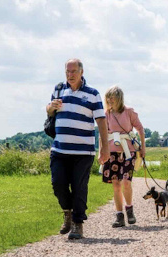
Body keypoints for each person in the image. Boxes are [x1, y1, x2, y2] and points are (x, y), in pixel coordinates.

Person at [46, 58, 109, 239]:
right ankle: (67, 212)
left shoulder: (92, 94)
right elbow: (49, 111)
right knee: (57, 184)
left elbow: (101, 122)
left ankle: (77, 223)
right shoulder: (59, 89)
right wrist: (51, 108)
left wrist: (104, 148)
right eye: (67, 71)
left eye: (73, 71)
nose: (70, 75)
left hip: (83, 152)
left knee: (79, 187)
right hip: (59, 150)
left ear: (82, 72)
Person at [100, 85, 146, 227]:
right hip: (111, 152)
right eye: (108, 97)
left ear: (119, 98)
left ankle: (129, 210)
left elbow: (140, 129)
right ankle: (119, 216)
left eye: (112, 97)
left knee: (126, 182)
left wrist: (143, 147)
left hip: (128, 152)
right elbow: (102, 134)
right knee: (116, 184)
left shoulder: (129, 112)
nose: (109, 100)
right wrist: (101, 151)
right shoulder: (106, 114)